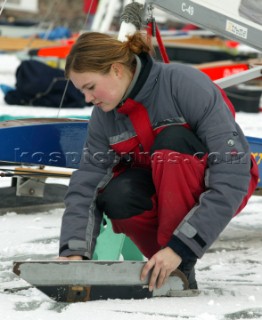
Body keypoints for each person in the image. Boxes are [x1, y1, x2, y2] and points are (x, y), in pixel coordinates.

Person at [58, 31, 259, 291]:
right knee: (118, 194)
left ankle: (178, 263)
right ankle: (167, 269)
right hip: (157, 188)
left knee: (172, 142)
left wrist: (180, 247)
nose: (87, 99)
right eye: (81, 91)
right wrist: (75, 252)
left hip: (218, 183)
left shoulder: (184, 84)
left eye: (90, 87)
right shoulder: (103, 116)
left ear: (117, 70)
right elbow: (87, 182)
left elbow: (233, 172)